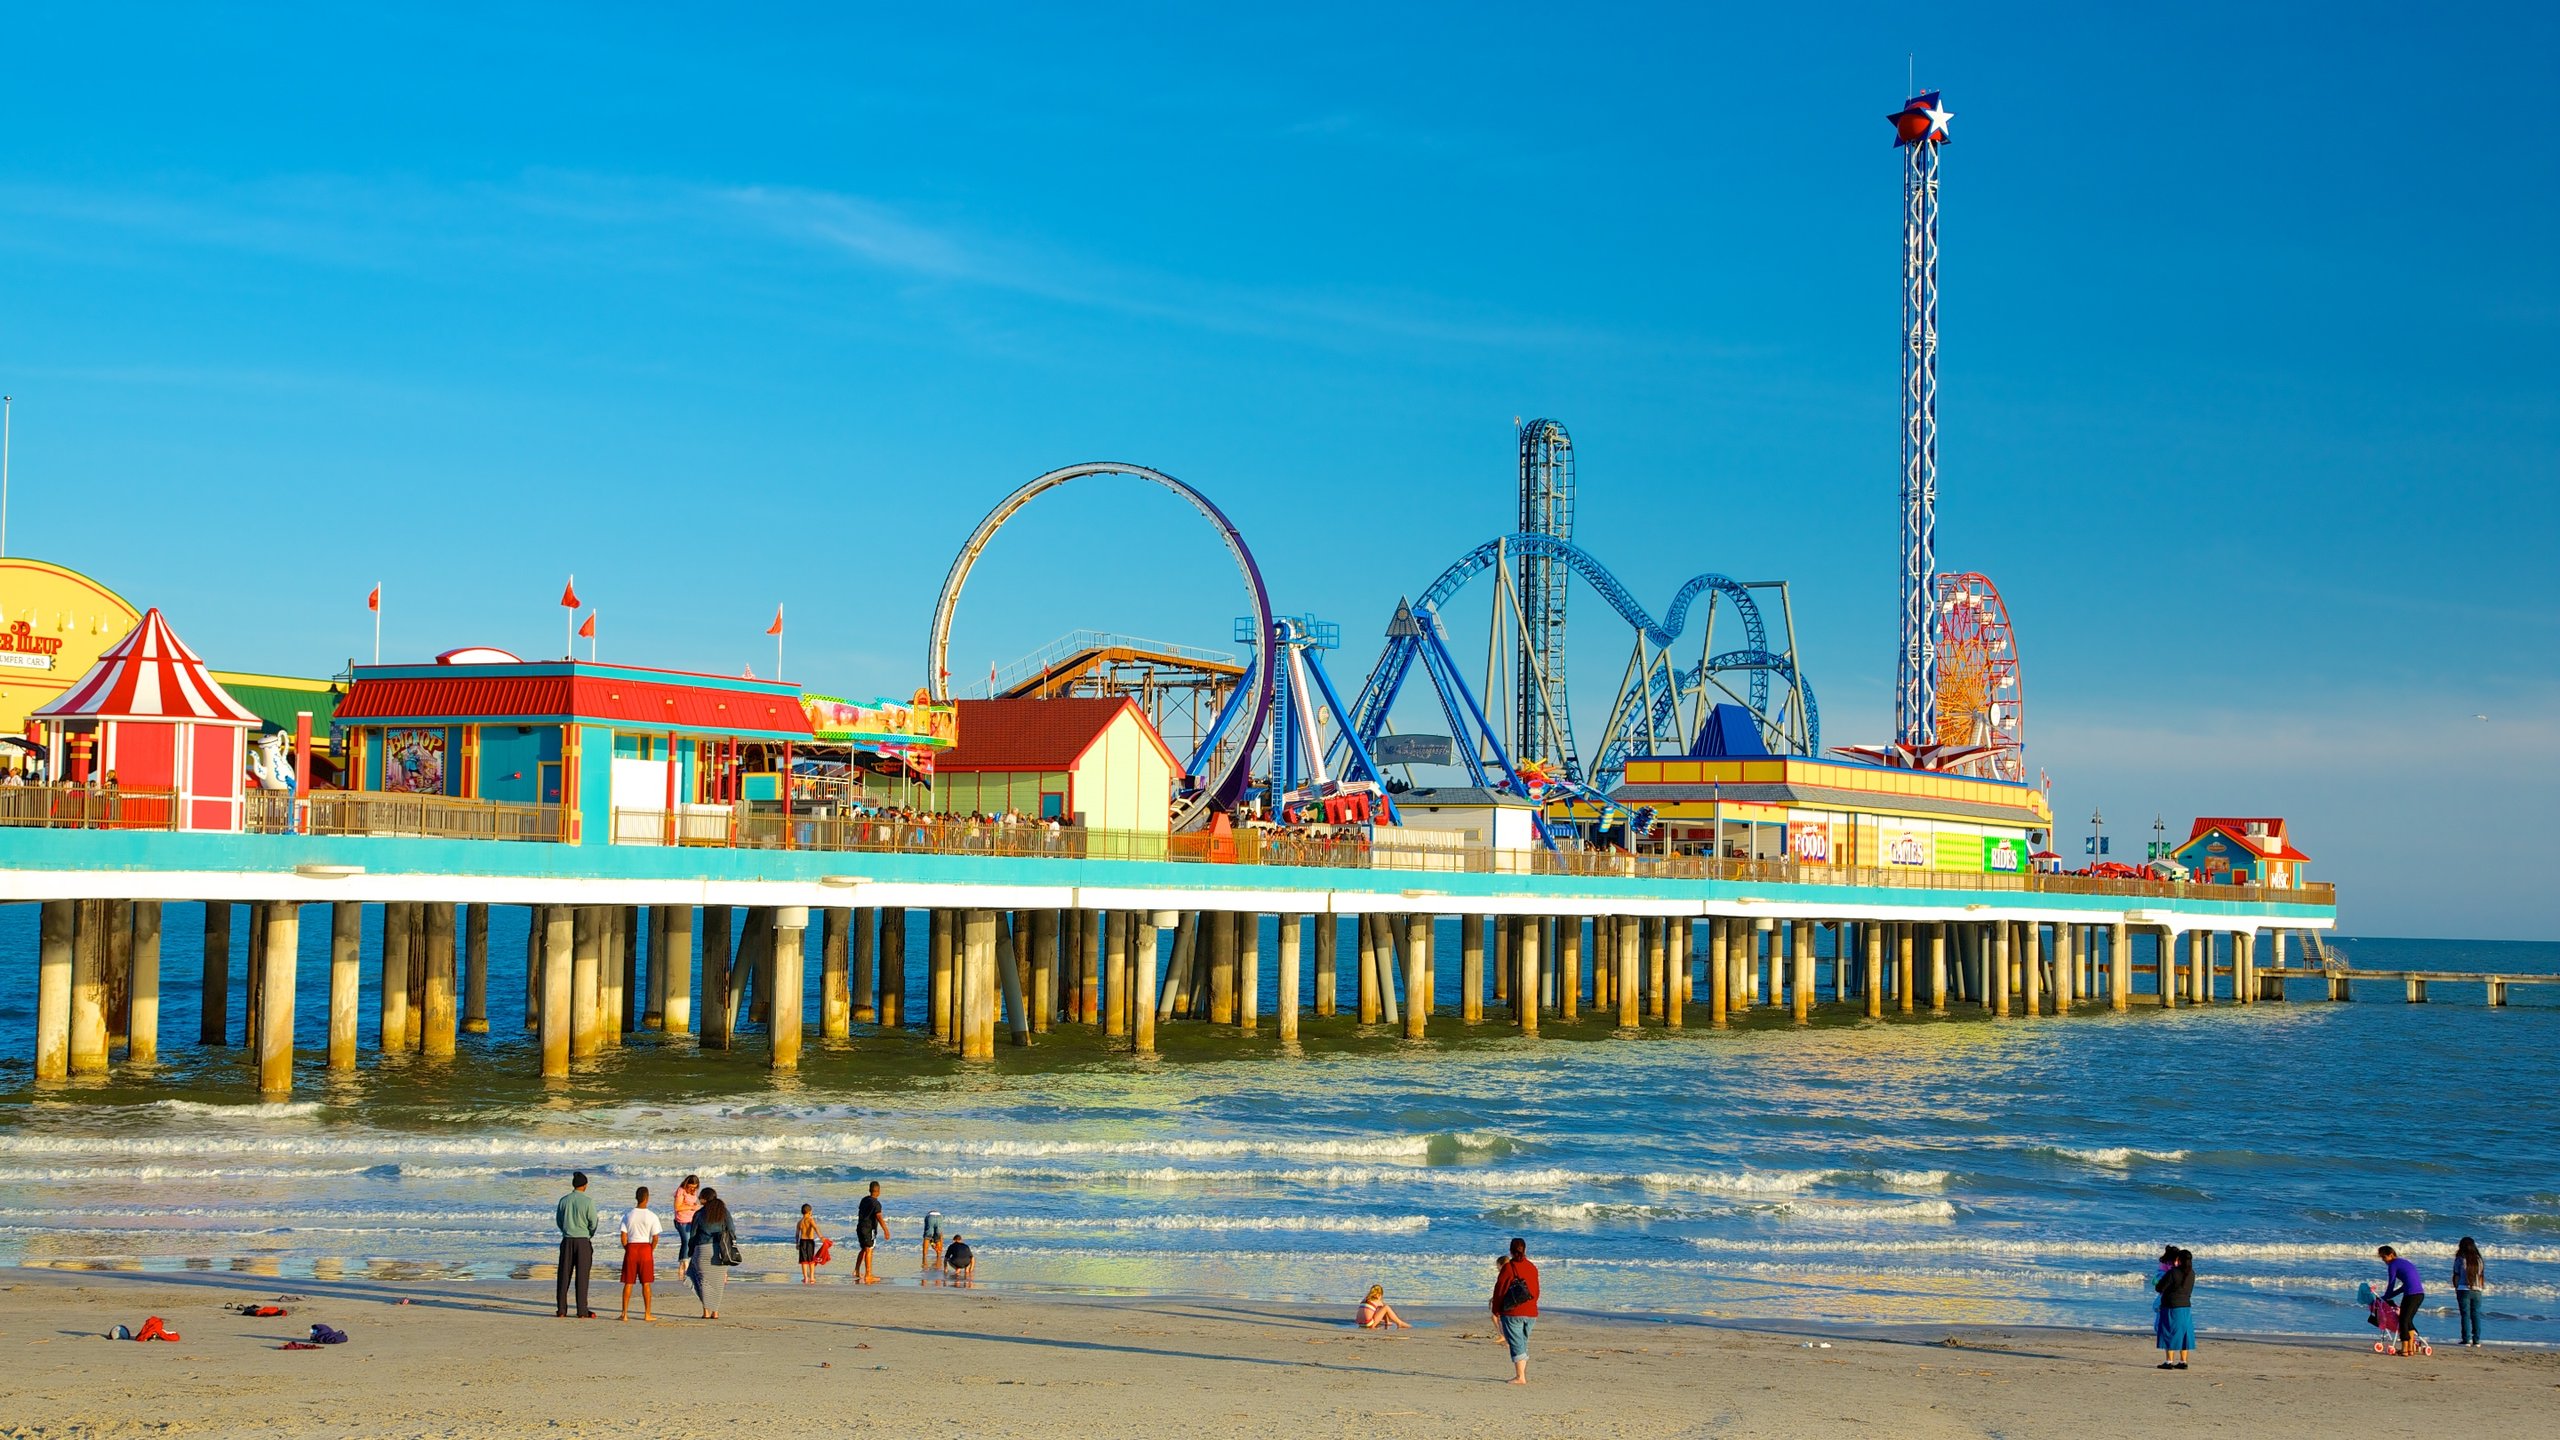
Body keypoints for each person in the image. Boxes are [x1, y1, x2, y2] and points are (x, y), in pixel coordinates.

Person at [1490, 1237, 1539, 1385]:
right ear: (1525, 1250)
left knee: (1517, 1344)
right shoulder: (1532, 1267)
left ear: (1510, 1251)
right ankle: (1521, 1375)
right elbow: (1536, 1291)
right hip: (1531, 1312)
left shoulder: (1508, 1268)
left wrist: (1496, 1310)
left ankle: (1520, 1377)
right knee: (1522, 1342)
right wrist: (1532, 1305)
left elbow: (1499, 1290)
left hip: (1513, 1312)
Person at [554, 1171, 598, 1319]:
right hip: (583, 1241)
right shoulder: (588, 1201)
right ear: (585, 1185)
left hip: (567, 1240)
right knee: (582, 1276)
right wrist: (589, 1234)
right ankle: (581, 1310)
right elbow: (593, 1222)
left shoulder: (564, 1200)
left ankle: (561, 1309)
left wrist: (567, 1230)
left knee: (564, 1276)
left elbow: (559, 1221)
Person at [688, 1188, 734, 1320]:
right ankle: (716, 1312)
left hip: (703, 1249)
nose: (698, 1198)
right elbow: (731, 1230)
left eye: (700, 1196)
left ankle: (706, 1312)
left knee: (704, 1282)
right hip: (720, 1250)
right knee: (718, 1282)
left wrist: (690, 1251)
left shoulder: (699, 1214)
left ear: (704, 1199)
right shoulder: (723, 1212)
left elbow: (693, 1235)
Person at [618, 1185, 662, 1321]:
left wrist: (628, 1249)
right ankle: (647, 1313)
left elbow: (623, 1238)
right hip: (645, 1248)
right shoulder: (652, 1216)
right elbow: (655, 1238)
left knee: (628, 1282)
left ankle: (624, 1313)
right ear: (647, 1198)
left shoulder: (628, 1215)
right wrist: (650, 1249)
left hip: (632, 1248)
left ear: (636, 1198)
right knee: (646, 1283)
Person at [2378, 1245, 2425, 1356]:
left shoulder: (2393, 1265)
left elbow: (2391, 1283)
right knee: (2408, 1321)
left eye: (2384, 1257)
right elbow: (2405, 1286)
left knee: (2403, 1320)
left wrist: (2385, 1297)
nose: (2383, 1260)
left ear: (2391, 1254)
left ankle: (2405, 1349)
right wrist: (2390, 1295)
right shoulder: (2403, 1262)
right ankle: (2410, 1349)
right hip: (2419, 1294)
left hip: (2411, 1295)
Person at [2154, 1247, 2194, 1369]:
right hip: (2186, 1306)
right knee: (2184, 1334)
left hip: (2171, 1306)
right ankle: (2183, 1361)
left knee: (2169, 1332)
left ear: (2179, 1260)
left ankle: (2169, 1361)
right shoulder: (2192, 1273)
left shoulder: (2173, 1273)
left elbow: (2159, 1287)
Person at [2452, 1237, 2486, 1347]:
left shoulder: (2460, 1259)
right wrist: (2481, 1287)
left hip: (2463, 1288)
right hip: (2477, 1290)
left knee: (2465, 1315)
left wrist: (2456, 1288)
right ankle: (2477, 1340)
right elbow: (2481, 1277)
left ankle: (2466, 1339)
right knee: (2476, 1314)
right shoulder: (2479, 1260)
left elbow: (2456, 1275)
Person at [856, 1181, 890, 1284]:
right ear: (878, 1191)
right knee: (869, 1250)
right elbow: (878, 1216)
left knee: (863, 1249)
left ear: (869, 1190)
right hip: (869, 1228)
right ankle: (868, 1274)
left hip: (860, 1227)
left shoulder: (864, 1200)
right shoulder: (876, 1203)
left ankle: (857, 1271)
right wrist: (886, 1230)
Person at [671, 1175, 702, 1265]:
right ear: (687, 1183)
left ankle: (686, 1261)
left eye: (695, 1187)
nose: (692, 1189)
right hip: (682, 1220)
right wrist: (692, 1207)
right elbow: (677, 1207)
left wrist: (696, 1206)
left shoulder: (694, 1191)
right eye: (691, 1187)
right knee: (686, 1242)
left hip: (692, 1219)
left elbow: (693, 1202)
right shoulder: (681, 1190)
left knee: (691, 1241)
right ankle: (684, 1263)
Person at [796, 1203, 827, 1284]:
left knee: (803, 1261)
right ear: (810, 1212)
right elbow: (815, 1228)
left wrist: (797, 1243)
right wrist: (821, 1237)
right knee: (811, 1260)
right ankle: (812, 1277)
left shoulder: (800, 1222)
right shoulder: (810, 1220)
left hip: (802, 1241)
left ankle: (805, 1278)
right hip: (810, 1242)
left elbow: (797, 1234)